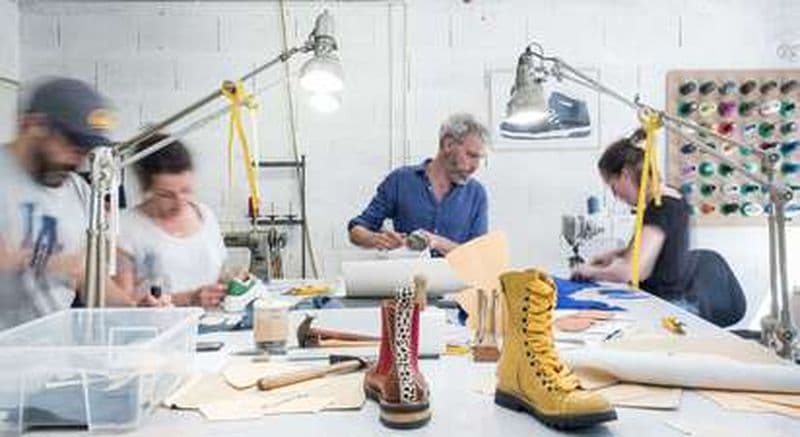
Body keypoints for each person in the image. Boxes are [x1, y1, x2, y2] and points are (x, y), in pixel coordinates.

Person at [0, 77, 161, 330]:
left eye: (85, 149)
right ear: (33, 125)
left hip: (53, 355)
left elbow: (90, 279)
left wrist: (136, 313)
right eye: (72, 144)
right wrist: (51, 261)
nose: (79, 159)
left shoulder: (79, 191)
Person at [571, 129, 697, 311]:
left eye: (613, 187)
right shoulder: (673, 196)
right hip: (673, 302)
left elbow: (632, 271)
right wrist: (617, 254)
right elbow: (660, 251)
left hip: (664, 309)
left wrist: (589, 272)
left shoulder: (660, 206)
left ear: (625, 175)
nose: (616, 196)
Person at [348, 113, 490, 256]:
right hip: (409, 278)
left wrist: (436, 242)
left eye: (479, 158)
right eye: (471, 155)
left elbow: (478, 256)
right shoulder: (400, 180)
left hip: (454, 279)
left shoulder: (477, 194)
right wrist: (376, 239)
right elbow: (356, 230)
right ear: (448, 144)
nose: (475, 166)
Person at [114, 133, 228, 308]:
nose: (180, 202)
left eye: (186, 190)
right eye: (166, 195)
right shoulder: (125, 228)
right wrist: (189, 299)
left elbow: (218, 275)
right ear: (146, 188)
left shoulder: (205, 215)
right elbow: (122, 304)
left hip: (216, 326)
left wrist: (231, 283)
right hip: (159, 330)